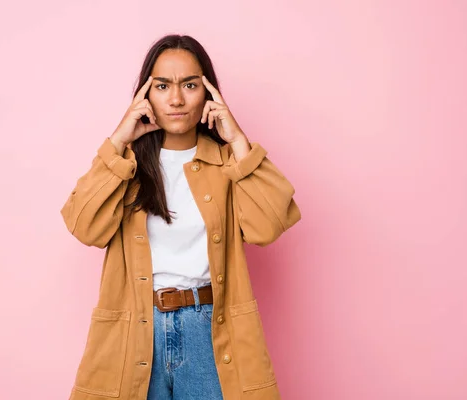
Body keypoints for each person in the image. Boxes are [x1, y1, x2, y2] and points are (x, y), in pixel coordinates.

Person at [61, 34, 301, 400]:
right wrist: (118, 140)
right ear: (145, 94)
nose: (175, 99)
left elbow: (268, 226)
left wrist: (238, 141)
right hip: (137, 332)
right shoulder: (126, 167)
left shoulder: (227, 164)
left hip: (211, 333)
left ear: (208, 94)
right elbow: (83, 225)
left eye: (190, 85)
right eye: (162, 86)